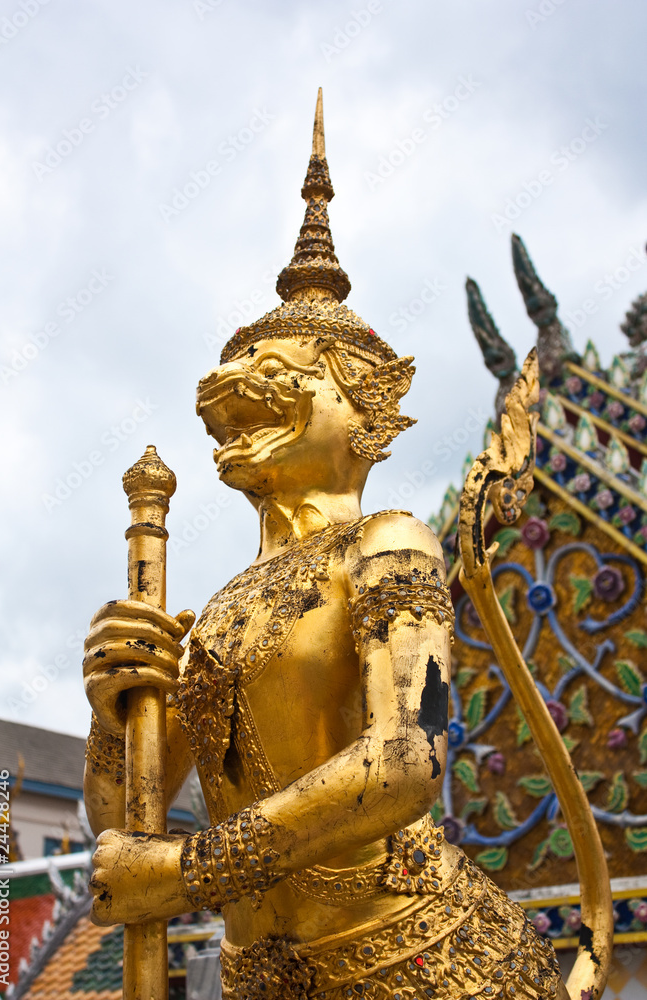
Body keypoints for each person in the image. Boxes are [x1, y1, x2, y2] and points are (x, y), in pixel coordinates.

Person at [83, 92, 563, 1000]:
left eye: (275, 371)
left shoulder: (388, 546)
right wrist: (113, 724)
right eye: (232, 372)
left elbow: (404, 763)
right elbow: (122, 823)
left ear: (359, 405)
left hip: (420, 963)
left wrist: (186, 874)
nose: (234, 387)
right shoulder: (216, 615)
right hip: (265, 975)